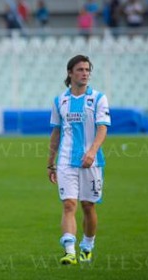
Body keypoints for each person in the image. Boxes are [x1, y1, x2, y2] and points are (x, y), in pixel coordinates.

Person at [47, 55, 110, 265]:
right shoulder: (60, 101)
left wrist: (91, 152)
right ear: (70, 73)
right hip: (66, 161)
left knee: (88, 206)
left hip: (93, 162)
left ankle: (88, 245)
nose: (85, 73)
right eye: (80, 69)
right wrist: (50, 162)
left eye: (87, 70)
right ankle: (69, 251)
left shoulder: (98, 98)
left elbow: (102, 128)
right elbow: (56, 132)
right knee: (68, 205)